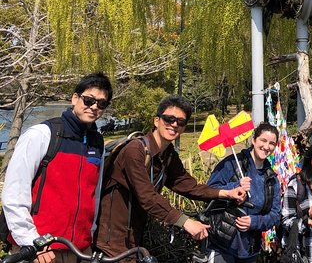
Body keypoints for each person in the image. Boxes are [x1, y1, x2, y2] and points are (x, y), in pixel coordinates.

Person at [94, 96, 246, 257]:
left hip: (133, 235)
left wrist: (226, 193)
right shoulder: (134, 151)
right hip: (111, 237)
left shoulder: (167, 155)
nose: (174, 125)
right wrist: (185, 222)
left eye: (180, 122)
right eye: (169, 119)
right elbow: (147, 197)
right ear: (156, 121)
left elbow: (188, 185)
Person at [2, 72, 112, 263]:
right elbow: (14, 193)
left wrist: (90, 236)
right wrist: (32, 242)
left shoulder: (97, 143)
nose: (94, 107)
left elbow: (94, 195)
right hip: (40, 251)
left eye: (101, 103)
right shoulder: (42, 134)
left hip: (79, 250)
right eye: (89, 100)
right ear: (75, 98)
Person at [207, 122, 281, 263]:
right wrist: (235, 186)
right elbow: (209, 191)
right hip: (222, 244)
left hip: (249, 249)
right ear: (254, 140)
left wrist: (255, 222)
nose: (266, 147)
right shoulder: (231, 164)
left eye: (271, 143)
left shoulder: (272, 179)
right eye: (263, 140)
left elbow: (275, 215)